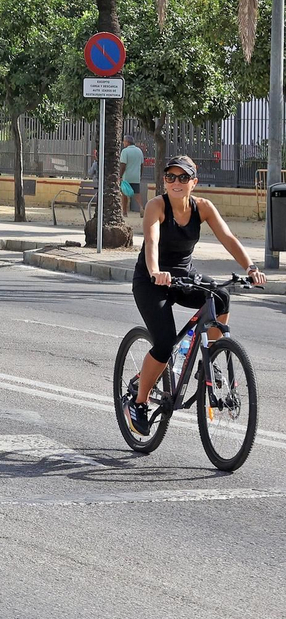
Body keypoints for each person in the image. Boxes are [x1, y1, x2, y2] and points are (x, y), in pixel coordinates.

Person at [122, 156, 267, 435]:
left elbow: (229, 238)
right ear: (164, 181)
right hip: (151, 281)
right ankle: (138, 403)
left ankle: (210, 358)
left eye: (183, 178)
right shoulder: (156, 206)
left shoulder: (203, 208)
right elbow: (151, 242)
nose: (176, 183)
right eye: (171, 177)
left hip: (184, 277)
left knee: (221, 297)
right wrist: (155, 271)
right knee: (164, 343)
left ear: (194, 183)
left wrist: (250, 267)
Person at [119, 135, 146, 215]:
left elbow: (123, 165)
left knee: (124, 194)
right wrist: (140, 175)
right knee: (137, 193)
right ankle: (141, 207)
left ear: (127, 142)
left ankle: (124, 212)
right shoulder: (139, 151)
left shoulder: (125, 151)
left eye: (124, 141)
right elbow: (142, 165)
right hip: (136, 176)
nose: (123, 143)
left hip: (126, 176)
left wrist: (120, 175)